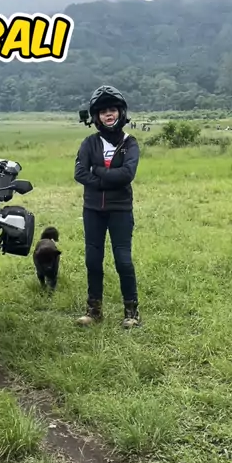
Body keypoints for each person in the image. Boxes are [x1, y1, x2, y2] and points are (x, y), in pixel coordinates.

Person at [74, 85, 141, 329]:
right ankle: (94, 311)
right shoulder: (89, 142)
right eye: (103, 111)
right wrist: (108, 180)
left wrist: (98, 171)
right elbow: (80, 173)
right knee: (93, 260)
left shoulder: (130, 143)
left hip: (120, 210)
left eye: (112, 109)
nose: (108, 114)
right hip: (93, 210)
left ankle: (132, 312)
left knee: (123, 260)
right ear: (97, 116)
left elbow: (127, 174)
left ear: (120, 112)